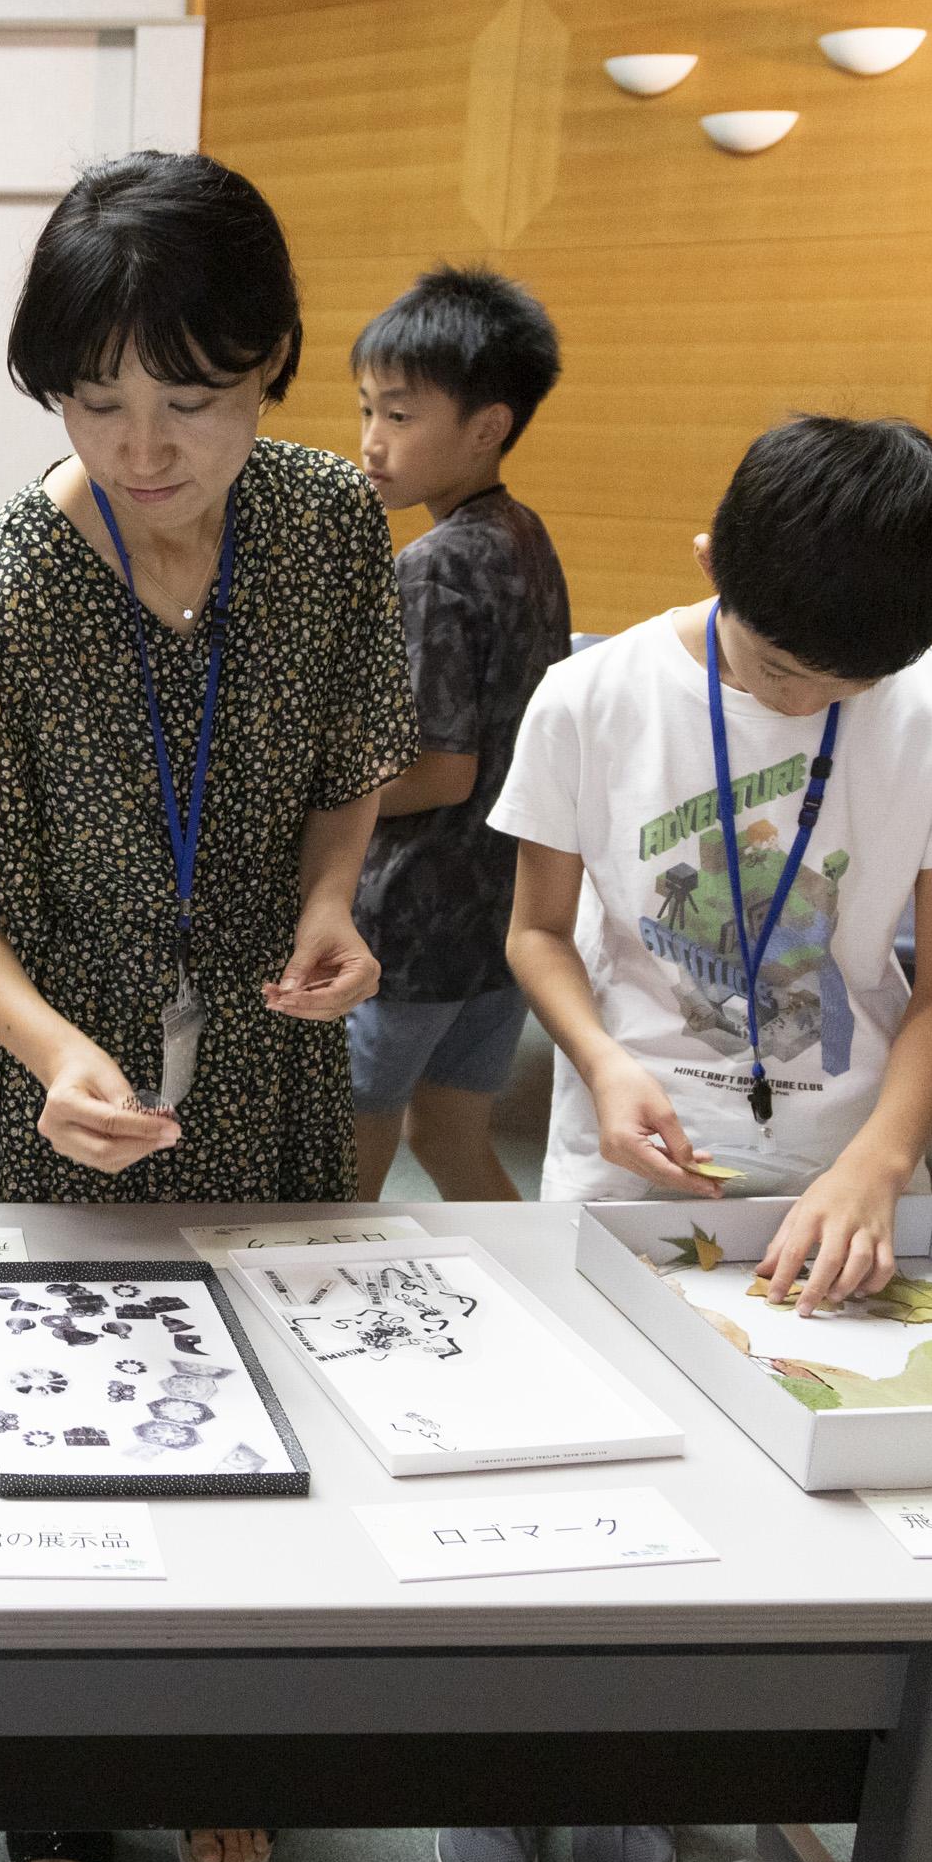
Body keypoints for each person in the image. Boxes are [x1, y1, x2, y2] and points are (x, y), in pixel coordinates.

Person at [0, 148, 418, 1862]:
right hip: (64, 1084)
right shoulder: (11, 594)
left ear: (272, 365)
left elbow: (353, 766)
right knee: (62, 1448)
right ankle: (53, 1787)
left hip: (259, 1056)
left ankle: (222, 1750)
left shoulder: (337, 526)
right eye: (96, 401)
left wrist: (332, 901)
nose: (143, 447)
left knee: (258, 1432)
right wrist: (48, 1051)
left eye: (190, 398)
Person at [457, 414, 932, 1862]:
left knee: (773, 1519)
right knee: (586, 1485)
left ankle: (647, 1772)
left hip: (842, 1178)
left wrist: (881, 1156)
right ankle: (507, 1769)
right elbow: (534, 931)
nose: (815, 699)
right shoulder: (592, 697)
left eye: (851, 684)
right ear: (709, 560)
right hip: (625, 1168)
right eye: (784, 671)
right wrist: (600, 1057)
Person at [345, 264, 569, 1201]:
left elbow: (438, 770)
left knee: (339, 1166)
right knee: (453, 1143)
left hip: (413, 920)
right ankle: (541, 1312)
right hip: (500, 915)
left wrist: (307, 791)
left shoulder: (432, 565)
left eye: (399, 416)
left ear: (488, 428)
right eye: (366, 411)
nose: (370, 443)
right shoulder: (525, 536)